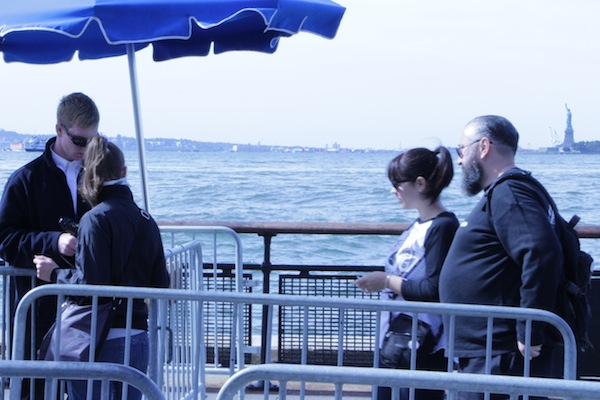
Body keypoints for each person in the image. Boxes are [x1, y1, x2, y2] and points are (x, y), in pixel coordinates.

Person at [35, 136, 170, 399]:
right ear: (124, 172)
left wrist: (54, 273)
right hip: (138, 334)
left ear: (88, 174)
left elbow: (90, 288)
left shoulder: (95, 219)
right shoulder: (146, 220)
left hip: (100, 337)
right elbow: (160, 283)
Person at [438, 115, 563, 400]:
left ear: (483, 147)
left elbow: (541, 252)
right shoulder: (507, 191)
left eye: (461, 150)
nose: (458, 161)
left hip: (500, 355)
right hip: (490, 352)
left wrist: (529, 330)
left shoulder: (510, 192)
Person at [0, 92, 98, 398]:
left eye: (93, 142)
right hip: (39, 308)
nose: (86, 149)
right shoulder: (25, 180)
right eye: (80, 141)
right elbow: (5, 239)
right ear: (59, 130)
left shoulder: (96, 177)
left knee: (88, 386)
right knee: (37, 388)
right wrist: (53, 241)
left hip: (87, 307)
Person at [355, 146, 458, 400]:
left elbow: (434, 289)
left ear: (420, 183)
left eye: (397, 184)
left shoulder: (442, 227)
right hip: (401, 341)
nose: (393, 190)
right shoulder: (421, 224)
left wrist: (387, 281)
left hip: (423, 345)